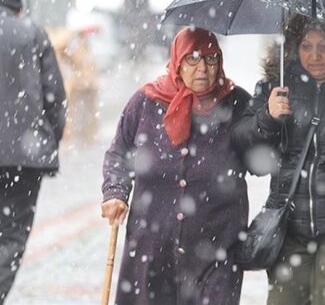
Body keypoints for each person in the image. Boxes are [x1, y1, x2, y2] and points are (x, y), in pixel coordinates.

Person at [233, 15, 325, 305]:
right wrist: (268, 117)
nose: (314, 55)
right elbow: (244, 146)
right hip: (290, 230)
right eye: (306, 46)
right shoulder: (274, 88)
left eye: (323, 45)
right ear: (293, 48)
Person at [101, 27, 251, 305]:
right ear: (177, 62)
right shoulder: (145, 102)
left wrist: (272, 121)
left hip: (217, 248)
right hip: (152, 245)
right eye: (192, 59)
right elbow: (119, 152)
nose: (203, 68)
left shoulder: (238, 104)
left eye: (210, 59)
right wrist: (115, 192)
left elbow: (263, 158)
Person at [0, 0, 67, 305]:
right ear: (19, 10)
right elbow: (55, 97)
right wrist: (49, 140)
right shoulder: (33, 33)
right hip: (22, 157)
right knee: (8, 232)